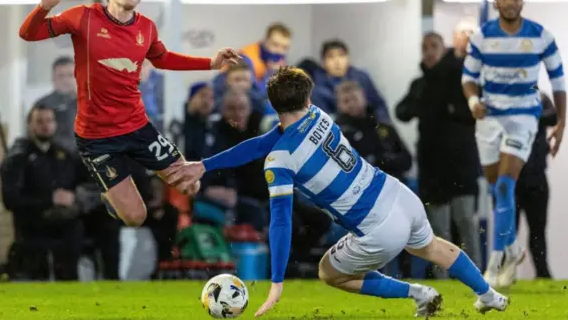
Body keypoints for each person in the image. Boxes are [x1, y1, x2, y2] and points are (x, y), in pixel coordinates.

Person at [167, 66, 509, 317]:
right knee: (432, 247)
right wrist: (205, 164)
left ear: (272, 106)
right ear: (308, 96)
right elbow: (261, 142)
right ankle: (489, 294)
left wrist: (276, 281)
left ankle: (417, 293)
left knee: (330, 273)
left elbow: (281, 222)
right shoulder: (320, 115)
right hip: (398, 194)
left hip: (377, 225)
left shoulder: (280, 161)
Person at [18, 0, 241, 227]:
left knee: (191, 186)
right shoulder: (83, 17)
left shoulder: (145, 27)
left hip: (137, 128)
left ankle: (128, 183)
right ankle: (110, 197)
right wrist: (44, 7)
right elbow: (28, 33)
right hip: (96, 138)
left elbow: (163, 58)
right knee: (136, 217)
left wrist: (210, 63)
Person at [461, 0, 566, 288]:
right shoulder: (482, 37)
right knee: (497, 192)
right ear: (496, 2)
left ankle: (495, 263)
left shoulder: (540, 36)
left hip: (523, 117)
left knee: (506, 187)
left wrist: (562, 123)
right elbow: (468, 77)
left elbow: (558, 81)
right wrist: (473, 100)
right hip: (489, 119)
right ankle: (512, 248)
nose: (509, 2)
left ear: (522, 1)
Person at [396, 32, 482, 275]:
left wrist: (452, 111)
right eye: (425, 47)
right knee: (438, 230)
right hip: (432, 166)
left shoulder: (460, 81)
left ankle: (476, 279)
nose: (429, 51)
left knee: (466, 222)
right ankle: (442, 281)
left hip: (461, 163)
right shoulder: (421, 85)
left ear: (443, 49)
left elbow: (472, 113)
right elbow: (401, 110)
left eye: (434, 46)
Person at [0, 105, 83, 280]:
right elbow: (10, 199)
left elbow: (80, 182)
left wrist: (75, 197)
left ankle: (73, 282)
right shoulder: (18, 157)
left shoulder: (64, 155)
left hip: (64, 218)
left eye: (49, 121)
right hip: (32, 221)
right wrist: (49, 200)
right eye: (39, 121)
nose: (45, 126)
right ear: (29, 125)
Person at [515, 93, 556, 279]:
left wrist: (529, 114)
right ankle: (507, 273)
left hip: (537, 177)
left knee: (538, 231)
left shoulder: (539, 97)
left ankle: (542, 272)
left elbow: (553, 116)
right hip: (512, 178)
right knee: (508, 233)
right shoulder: (505, 96)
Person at [309, 40, 391, 123]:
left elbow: (379, 105)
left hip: (369, 126)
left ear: (348, 58)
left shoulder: (362, 78)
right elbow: (323, 121)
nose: (337, 61)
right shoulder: (316, 89)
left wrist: (381, 125)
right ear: (323, 62)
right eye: (331, 57)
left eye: (341, 55)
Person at [34, 56, 77, 152]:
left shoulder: (88, 104)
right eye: (61, 76)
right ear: (53, 78)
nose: (66, 80)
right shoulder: (42, 105)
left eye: (70, 75)